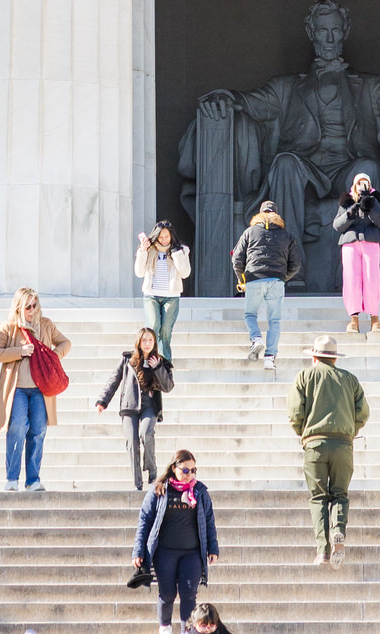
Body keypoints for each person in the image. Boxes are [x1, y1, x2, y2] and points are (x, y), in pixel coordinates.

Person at [288, 330, 369, 567]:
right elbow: (363, 412)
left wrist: (304, 433)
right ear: (335, 358)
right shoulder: (350, 379)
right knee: (340, 495)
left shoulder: (304, 376)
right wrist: (350, 430)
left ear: (314, 357)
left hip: (315, 443)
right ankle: (339, 529)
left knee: (319, 497)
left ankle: (322, 551)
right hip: (343, 443)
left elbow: (295, 413)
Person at [0, 286, 71, 492]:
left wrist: (54, 355)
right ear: (19, 307)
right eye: (27, 306)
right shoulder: (9, 327)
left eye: (35, 305)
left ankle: (33, 479)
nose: (32, 310)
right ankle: (12, 478)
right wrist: (20, 351)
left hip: (40, 390)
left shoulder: (45, 325)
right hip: (17, 389)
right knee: (16, 428)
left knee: (38, 431)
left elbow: (65, 343)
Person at [133, 446, 219, 631]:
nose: (190, 474)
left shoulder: (200, 492)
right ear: (174, 468)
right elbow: (144, 521)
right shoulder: (158, 490)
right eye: (185, 470)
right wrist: (138, 551)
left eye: (193, 470)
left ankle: (186, 630)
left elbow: (209, 521)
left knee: (189, 595)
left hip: (192, 553)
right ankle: (165, 629)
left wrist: (213, 548)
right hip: (165, 552)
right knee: (167, 594)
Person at [96, 326, 174, 491]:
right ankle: (137, 483)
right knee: (132, 441)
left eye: (150, 340)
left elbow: (168, 387)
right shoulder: (128, 360)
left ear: (154, 343)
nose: (147, 343)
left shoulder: (161, 362)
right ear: (138, 342)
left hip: (150, 406)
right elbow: (114, 380)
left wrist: (158, 367)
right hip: (130, 406)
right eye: (144, 340)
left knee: (146, 434)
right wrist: (103, 401)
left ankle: (153, 473)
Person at [231, 201, 303, 368]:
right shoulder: (286, 235)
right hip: (276, 280)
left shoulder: (249, 232)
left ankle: (256, 339)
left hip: (254, 277)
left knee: (250, 315)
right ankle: (270, 357)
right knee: (274, 321)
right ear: (276, 215)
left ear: (260, 214)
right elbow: (296, 264)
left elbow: (236, 259)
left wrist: (242, 279)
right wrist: (283, 277)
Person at [332, 173, 380, 334]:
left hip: (370, 242)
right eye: (359, 184)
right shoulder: (346, 202)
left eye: (365, 183)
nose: (362, 186)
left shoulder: (375, 200)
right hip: (351, 243)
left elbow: (379, 219)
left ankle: (374, 318)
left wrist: (370, 202)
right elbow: (337, 225)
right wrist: (352, 211)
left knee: (372, 279)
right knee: (351, 279)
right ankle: (353, 318)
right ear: (354, 186)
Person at [137, 221, 193, 360]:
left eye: (166, 237)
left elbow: (185, 273)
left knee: (166, 331)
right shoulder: (149, 249)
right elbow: (139, 272)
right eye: (161, 237)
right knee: (153, 326)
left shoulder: (181, 250)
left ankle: (165, 362)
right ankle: (148, 359)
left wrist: (177, 255)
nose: (163, 240)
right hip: (152, 295)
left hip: (171, 297)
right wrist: (143, 252)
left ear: (171, 236)